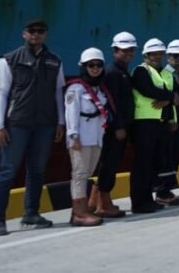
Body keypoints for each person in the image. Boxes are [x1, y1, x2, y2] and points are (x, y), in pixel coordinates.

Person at [0, 18, 65, 236]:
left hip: (45, 125)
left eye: (40, 31)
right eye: (32, 31)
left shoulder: (55, 61)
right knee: (7, 170)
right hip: (17, 124)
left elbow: (57, 93)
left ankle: (31, 213)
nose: (36, 34)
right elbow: (1, 94)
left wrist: (60, 122)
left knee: (37, 170)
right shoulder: (9, 60)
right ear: (24, 33)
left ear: (45, 34)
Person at [64, 48, 112, 227]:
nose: (95, 68)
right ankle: (80, 213)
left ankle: (80, 210)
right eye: (91, 65)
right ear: (84, 67)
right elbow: (71, 113)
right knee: (79, 174)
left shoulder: (99, 89)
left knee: (88, 172)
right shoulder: (75, 89)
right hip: (81, 138)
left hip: (96, 137)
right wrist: (73, 136)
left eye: (99, 65)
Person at [129, 38, 178, 214]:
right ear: (145, 55)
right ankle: (139, 203)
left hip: (161, 123)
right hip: (144, 123)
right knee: (142, 164)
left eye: (159, 54)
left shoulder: (165, 74)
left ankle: (148, 199)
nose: (157, 56)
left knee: (154, 164)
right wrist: (170, 97)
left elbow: (174, 98)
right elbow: (147, 90)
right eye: (153, 54)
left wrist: (172, 117)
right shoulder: (141, 71)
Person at [92, 30, 136, 219]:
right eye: (124, 50)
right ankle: (104, 203)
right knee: (109, 163)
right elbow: (112, 102)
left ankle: (93, 202)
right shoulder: (112, 73)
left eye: (131, 50)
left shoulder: (122, 72)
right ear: (115, 51)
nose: (128, 54)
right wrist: (118, 126)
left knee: (110, 163)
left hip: (122, 125)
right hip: (115, 128)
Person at [157, 39, 179, 204]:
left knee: (176, 153)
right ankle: (162, 191)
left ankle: (167, 188)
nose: (178, 59)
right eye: (175, 56)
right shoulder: (164, 74)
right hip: (169, 121)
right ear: (168, 57)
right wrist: (170, 119)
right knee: (166, 155)